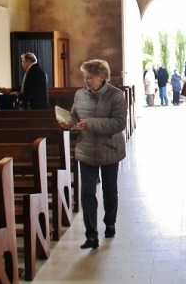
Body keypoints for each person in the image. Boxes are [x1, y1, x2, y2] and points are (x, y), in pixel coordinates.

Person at [58, 59, 127, 250]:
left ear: (101, 77)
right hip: (87, 149)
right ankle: (91, 235)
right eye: (84, 77)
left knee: (109, 191)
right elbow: (75, 115)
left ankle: (110, 222)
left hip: (109, 149)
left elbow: (119, 123)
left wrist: (91, 124)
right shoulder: (80, 94)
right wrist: (68, 123)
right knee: (88, 192)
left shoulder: (116, 95)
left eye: (89, 78)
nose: (86, 81)